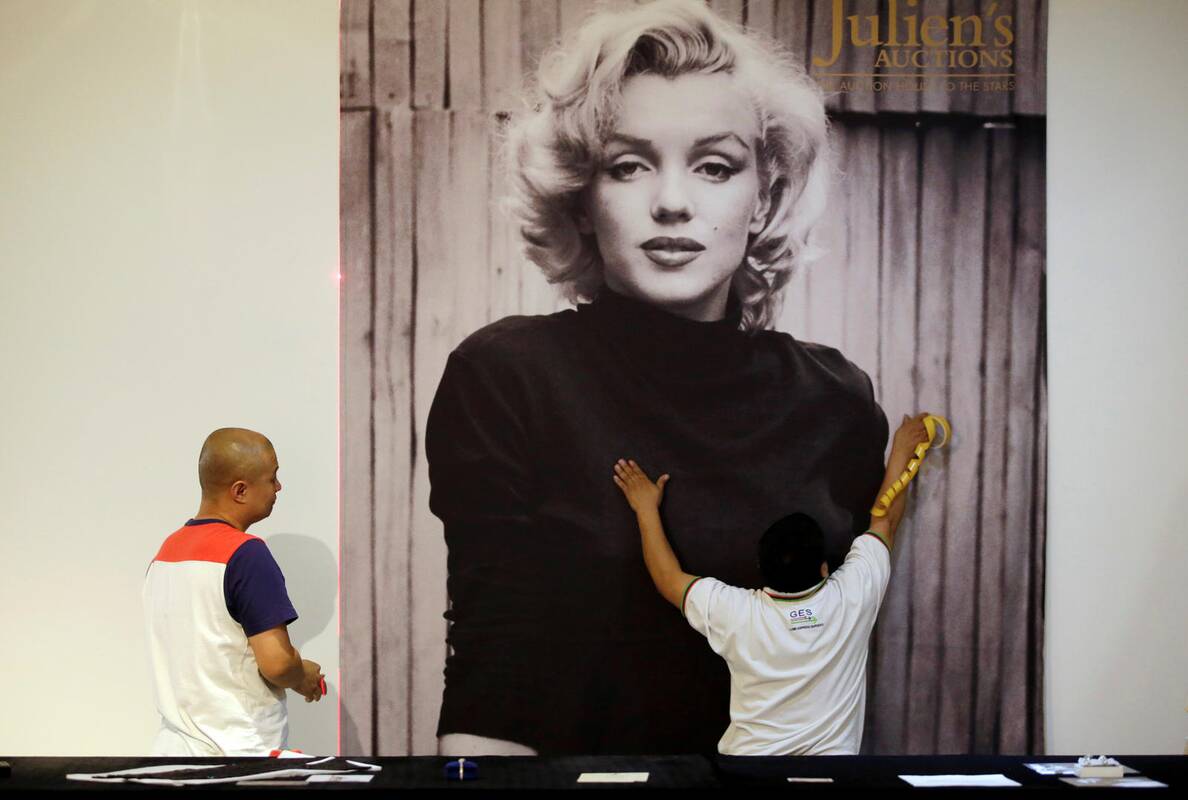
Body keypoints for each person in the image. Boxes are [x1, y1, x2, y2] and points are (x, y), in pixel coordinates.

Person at [426, 0, 886, 755]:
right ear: (582, 198)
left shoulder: (836, 401)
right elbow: (494, 669)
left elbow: (835, 669)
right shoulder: (508, 379)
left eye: (714, 167)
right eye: (629, 165)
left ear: (764, 198)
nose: (672, 203)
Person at [613, 413, 932, 756]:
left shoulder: (736, 613)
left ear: (761, 570)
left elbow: (668, 578)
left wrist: (645, 508)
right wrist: (903, 449)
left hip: (748, 774)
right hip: (829, 777)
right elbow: (885, 522)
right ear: (824, 568)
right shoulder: (853, 594)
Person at [142, 428, 324, 756]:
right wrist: (302, 674)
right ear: (240, 490)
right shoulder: (247, 555)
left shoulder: (165, 553)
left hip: (173, 753)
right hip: (240, 756)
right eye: (272, 477)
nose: (278, 487)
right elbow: (278, 664)